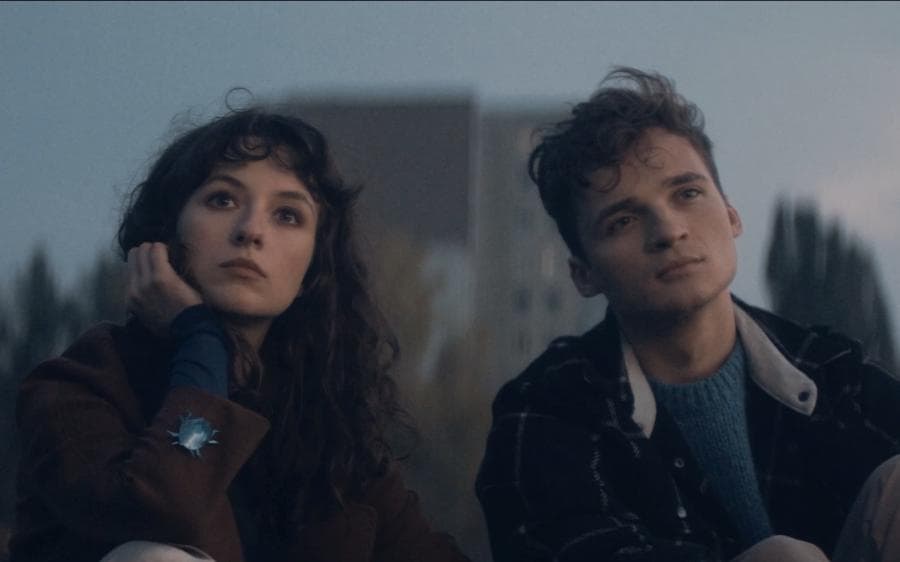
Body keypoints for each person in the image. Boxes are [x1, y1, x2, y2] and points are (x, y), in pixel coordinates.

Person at [475, 67, 900, 561]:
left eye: (687, 194)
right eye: (623, 220)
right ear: (584, 274)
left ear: (732, 214)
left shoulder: (829, 371)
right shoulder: (549, 409)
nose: (669, 230)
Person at [11, 107, 470, 562]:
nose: (251, 231)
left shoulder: (327, 424)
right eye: (222, 201)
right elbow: (163, 511)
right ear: (164, 234)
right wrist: (201, 338)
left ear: (313, 270)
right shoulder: (81, 386)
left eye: (287, 215)